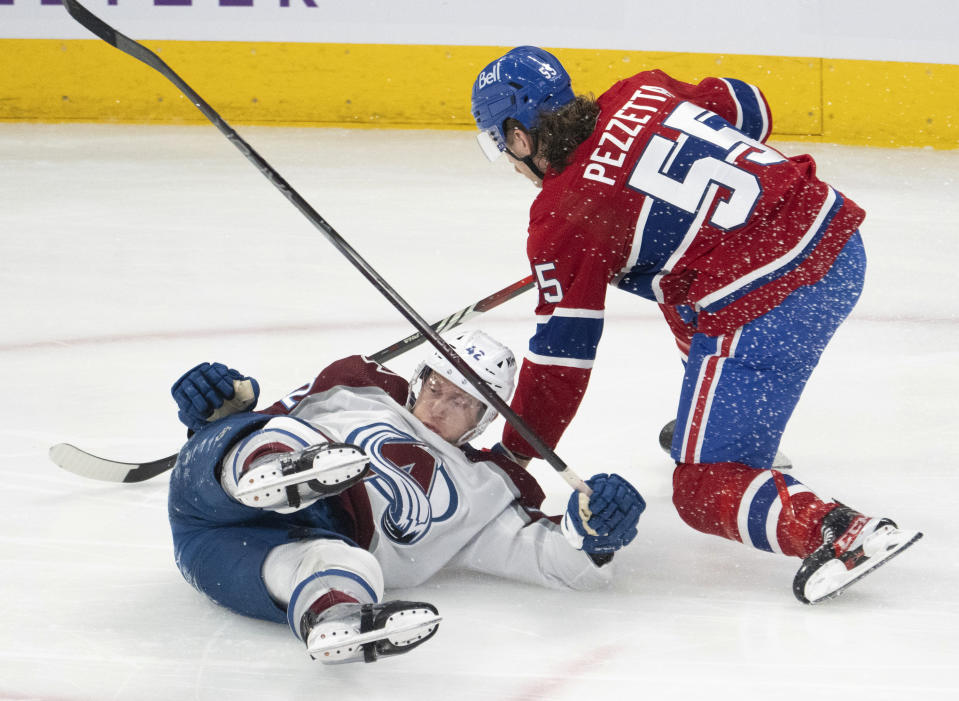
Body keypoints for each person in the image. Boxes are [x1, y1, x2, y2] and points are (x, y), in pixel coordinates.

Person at [470, 46, 921, 604]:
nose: (511, 165)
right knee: (676, 287)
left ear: (519, 136)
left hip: (772, 302)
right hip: (839, 242)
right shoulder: (640, 90)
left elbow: (563, 359)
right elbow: (751, 107)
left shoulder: (563, 218)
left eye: (502, 147)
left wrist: (515, 453)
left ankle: (836, 531)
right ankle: (735, 425)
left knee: (702, 489)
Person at [166, 329, 645, 665]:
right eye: (436, 387)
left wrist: (595, 531)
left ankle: (334, 617)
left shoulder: (487, 492)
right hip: (212, 493)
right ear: (418, 378)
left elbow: (556, 559)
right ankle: (279, 473)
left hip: (238, 560)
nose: (439, 406)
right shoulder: (358, 388)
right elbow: (256, 417)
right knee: (287, 436)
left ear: (483, 418)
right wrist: (218, 403)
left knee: (349, 564)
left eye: (461, 402)